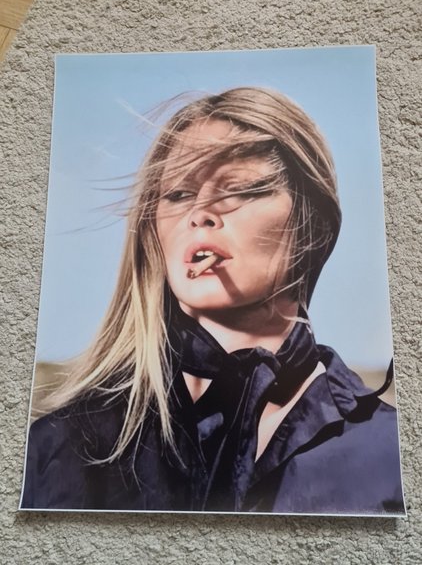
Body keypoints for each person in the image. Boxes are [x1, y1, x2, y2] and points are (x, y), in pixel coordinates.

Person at [21, 87, 405, 514]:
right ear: (152, 233)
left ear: (311, 222)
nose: (200, 213)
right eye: (178, 194)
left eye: (241, 189)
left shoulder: (388, 454)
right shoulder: (64, 445)